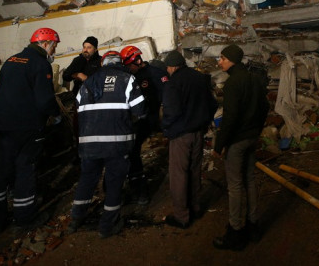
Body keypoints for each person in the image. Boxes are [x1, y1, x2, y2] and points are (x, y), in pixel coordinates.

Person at [0, 27, 62, 233]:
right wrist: (56, 115)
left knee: (0, 171)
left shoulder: (11, 61)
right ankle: (25, 216)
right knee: (25, 169)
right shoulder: (40, 64)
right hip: (27, 126)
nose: (54, 50)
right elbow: (45, 99)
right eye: (54, 45)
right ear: (45, 44)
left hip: (3, 125)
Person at [68, 51, 146, 238]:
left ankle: (75, 219)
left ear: (103, 64)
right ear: (121, 63)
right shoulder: (127, 79)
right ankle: (107, 226)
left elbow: (79, 111)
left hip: (89, 144)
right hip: (116, 144)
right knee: (113, 183)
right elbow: (141, 111)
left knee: (87, 180)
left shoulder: (87, 83)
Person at [212, 44, 269, 251]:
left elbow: (230, 118)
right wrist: (256, 129)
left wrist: (220, 144)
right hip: (252, 137)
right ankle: (253, 226)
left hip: (237, 141)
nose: (219, 62)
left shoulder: (233, 83)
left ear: (231, 60)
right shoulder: (254, 79)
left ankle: (235, 233)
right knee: (250, 180)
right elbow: (265, 107)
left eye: (222, 58)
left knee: (235, 186)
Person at [161, 50, 216, 229]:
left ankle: (181, 216)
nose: (167, 71)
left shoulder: (173, 83)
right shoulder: (199, 78)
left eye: (168, 68)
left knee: (178, 175)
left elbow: (171, 112)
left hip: (181, 135)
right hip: (199, 132)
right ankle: (195, 207)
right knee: (194, 171)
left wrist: (166, 129)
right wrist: (205, 122)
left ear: (173, 66)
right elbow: (213, 103)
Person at [119, 45, 167, 204]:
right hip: (134, 120)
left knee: (132, 152)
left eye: (129, 65)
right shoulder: (128, 76)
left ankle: (140, 191)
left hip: (148, 119)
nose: (128, 69)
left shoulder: (156, 74)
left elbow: (167, 98)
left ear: (138, 61)